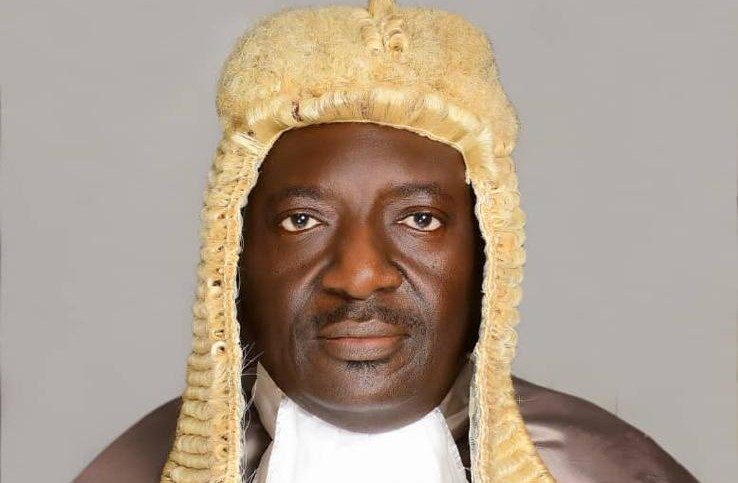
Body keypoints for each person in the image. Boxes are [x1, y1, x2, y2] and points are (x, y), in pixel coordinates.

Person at [76, 1, 698, 481]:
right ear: (233, 256)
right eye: (301, 221)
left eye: (420, 219)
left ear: (490, 253)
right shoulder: (129, 470)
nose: (359, 275)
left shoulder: (607, 468)